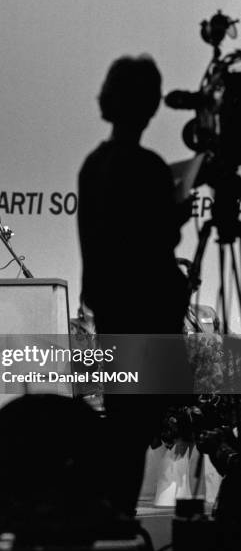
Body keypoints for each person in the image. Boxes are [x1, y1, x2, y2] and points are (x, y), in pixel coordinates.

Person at [77, 55, 191, 514]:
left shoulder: (94, 164)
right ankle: (117, 525)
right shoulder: (145, 166)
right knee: (132, 431)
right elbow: (155, 240)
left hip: (112, 309)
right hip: (146, 313)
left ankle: (115, 521)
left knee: (125, 424)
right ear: (149, 106)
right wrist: (177, 214)